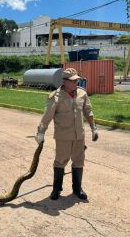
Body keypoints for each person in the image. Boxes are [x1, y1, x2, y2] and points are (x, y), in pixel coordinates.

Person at [35, 68, 98, 201]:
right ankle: (56, 189)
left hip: (79, 136)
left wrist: (93, 128)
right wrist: (41, 132)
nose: (76, 82)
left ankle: (77, 189)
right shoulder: (55, 97)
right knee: (60, 162)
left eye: (77, 80)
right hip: (63, 136)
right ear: (64, 81)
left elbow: (88, 111)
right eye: (73, 80)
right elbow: (47, 116)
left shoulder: (82, 94)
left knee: (79, 161)